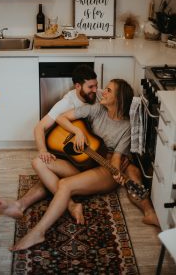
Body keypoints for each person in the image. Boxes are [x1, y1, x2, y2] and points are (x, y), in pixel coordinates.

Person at [8, 78, 159, 252]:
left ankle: (38, 232)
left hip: (105, 169)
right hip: (85, 163)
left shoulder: (126, 127)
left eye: (108, 90)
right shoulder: (96, 110)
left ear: (119, 99)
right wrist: (78, 132)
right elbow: (62, 117)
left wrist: (116, 171)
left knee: (65, 184)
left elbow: (116, 158)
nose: (102, 92)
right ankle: (72, 204)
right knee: (38, 162)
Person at [0, 64, 102, 224]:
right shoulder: (67, 103)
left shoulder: (99, 96)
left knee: (49, 177)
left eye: (96, 85)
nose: (95, 90)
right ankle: (67, 205)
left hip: (95, 159)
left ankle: (20, 204)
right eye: (91, 86)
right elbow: (40, 127)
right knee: (39, 162)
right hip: (76, 160)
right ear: (78, 86)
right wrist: (43, 150)